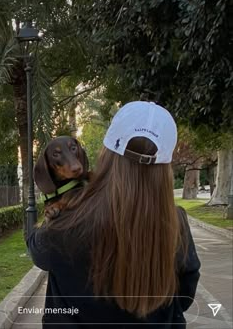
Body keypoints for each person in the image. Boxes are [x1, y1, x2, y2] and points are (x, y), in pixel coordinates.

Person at [27, 101, 201, 328]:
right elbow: (185, 296)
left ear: (106, 152)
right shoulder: (176, 224)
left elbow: (36, 250)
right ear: (166, 167)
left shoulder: (66, 223)